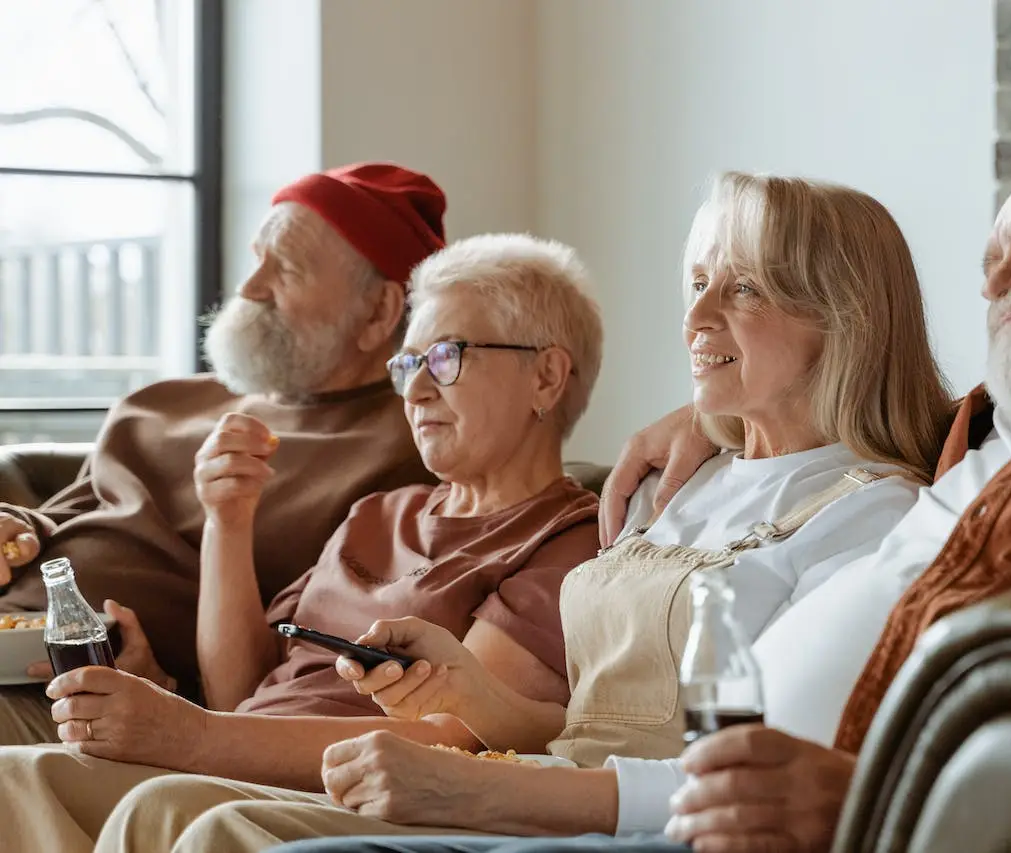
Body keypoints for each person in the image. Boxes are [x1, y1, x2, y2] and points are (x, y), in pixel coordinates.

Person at [271, 146, 1011, 853]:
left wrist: (874, 805)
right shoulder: (980, 436)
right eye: (989, 260)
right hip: (688, 801)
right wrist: (712, 415)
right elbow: (837, 406)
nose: (992, 278)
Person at [11, 170, 956, 853]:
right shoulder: (678, 480)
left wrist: (469, 758)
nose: (694, 315)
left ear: (843, 313)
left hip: (584, 800)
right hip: (543, 770)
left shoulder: (876, 519)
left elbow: (740, 769)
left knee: (188, 819)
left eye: (738, 285)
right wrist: (470, 691)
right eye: (695, 283)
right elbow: (567, 716)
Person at [0, 232, 608, 853]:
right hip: (229, 760)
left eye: (447, 357)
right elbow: (240, 693)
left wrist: (192, 737)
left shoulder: (567, 541)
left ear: (547, 377)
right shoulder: (377, 513)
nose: (419, 390)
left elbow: (457, 737)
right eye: (409, 364)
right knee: (10, 778)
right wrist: (227, 522)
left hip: (338, 794)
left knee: (158, 807)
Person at [0, 163, 448, 745]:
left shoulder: (409, 452)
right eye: (255, 257)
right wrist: (21, 530)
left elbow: (309, 674)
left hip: (97, 703)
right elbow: (68, 518)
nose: (249, 287)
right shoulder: (158, 403)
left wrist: (167, 688)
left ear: (380, 312)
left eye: (284, 268)